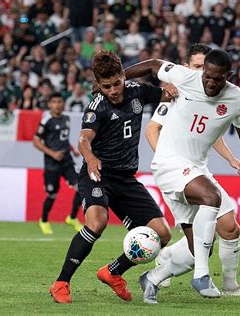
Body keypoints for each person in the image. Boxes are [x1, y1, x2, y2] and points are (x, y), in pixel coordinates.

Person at [124, 49, 240, 303]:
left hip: (197, 168)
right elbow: (152, 65)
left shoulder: (237, 99)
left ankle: (153, 278)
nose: (210, 82)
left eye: (217, 79)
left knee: (210, 240)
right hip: (169, 163)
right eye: (207, 75)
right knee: (211, 196)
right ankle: (202, 276)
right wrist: (121, 79)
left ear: (227, 76)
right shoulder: (184, 78)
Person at [49, 51, 174, 304]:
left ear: (123, 76)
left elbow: (167, 95)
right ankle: (61, 283)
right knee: (97, 222)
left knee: (162, 233)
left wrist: (172, 89)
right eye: (106, 86)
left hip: (126, 178)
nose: (114, 90)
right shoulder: (98, 106)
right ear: (98, 84)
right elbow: (84, 138)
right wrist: (91, 158)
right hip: (98, 175)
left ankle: (113, 271)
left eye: (117, 83)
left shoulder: (138, 91)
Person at [145, 43, 240, 297]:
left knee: (229, 228)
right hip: (177, 168)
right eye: (198, 67)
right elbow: (152, 130)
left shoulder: (225, 97)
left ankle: (230, 285)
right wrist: (172, 165)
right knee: (201, 240)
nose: (204, 75)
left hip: (198, 168)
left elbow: (209, 131)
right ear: (189, 68)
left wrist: (231, 159)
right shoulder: (175, 94)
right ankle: (186, 268)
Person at [33, 92, 83, 235]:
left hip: (67, 161)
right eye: (54, 102)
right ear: (49, 104)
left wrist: (73, 150)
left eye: (60, 101)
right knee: (52, 194)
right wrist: (52, 153)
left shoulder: (66, 118)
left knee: (80, 187)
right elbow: (36, 141)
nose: (57, 104)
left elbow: (64, 139)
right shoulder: (46, 120)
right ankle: (44, 220)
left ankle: (72, 218)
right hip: (52, 164)